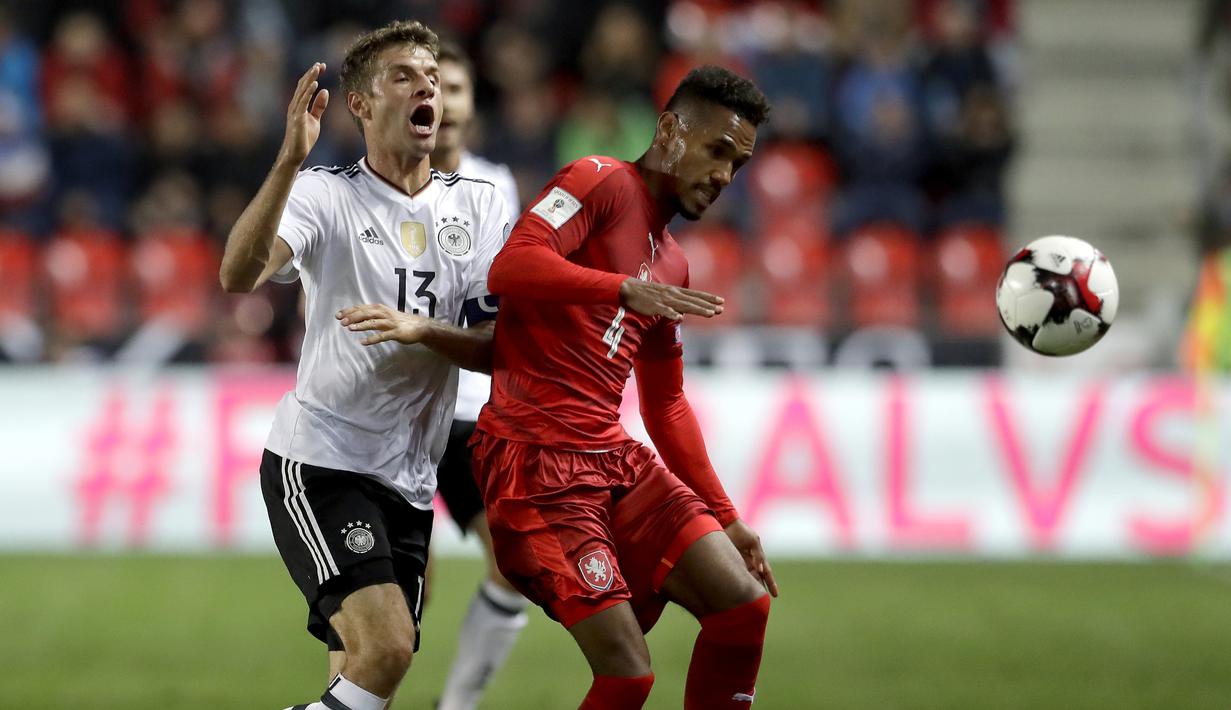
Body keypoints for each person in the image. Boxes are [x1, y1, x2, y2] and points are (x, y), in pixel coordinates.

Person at [218, 20, 511, 710]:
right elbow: (239, 275)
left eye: (432, 79)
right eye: (404, 77)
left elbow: (501, 349)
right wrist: (288, 161)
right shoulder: (325, 194)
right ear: (360, 103)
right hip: (321, 459)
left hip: (407, 474)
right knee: (388, 649)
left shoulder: (479, 204)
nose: (426, 89)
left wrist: (423, 330)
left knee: (359, 674)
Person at [473, 65, 778, 710]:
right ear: (669, 130)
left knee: (742, 605)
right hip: (533, 462)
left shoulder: (672, 261)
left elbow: (666, 404)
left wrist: (727, 518)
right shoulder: (598, 179)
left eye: (738, 164)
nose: (724, 175)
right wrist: (619, 288)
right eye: (717, 150)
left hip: (609, 455)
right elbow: (512, 265)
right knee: (628, 677)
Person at [427, 41, 527, 710]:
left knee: (514, 563)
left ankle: (454, 706)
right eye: (430, 90)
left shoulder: (497, 187)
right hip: (393, 409)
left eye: (455, 89)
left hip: (470, 410)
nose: (441, 103)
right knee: (400, 587)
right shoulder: (364, 185)